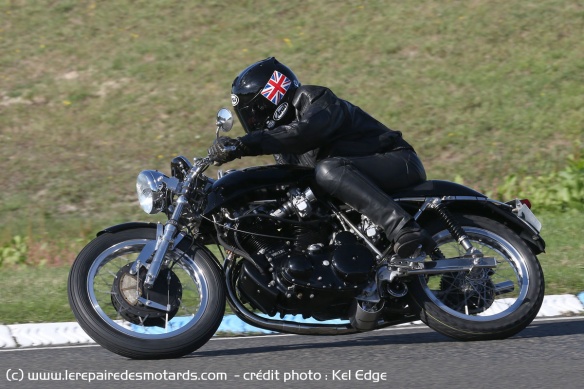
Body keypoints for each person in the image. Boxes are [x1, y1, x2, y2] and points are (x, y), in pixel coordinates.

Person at [208, 57, 435, 259]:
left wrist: (243, 144)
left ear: (272, 97)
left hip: (396, 161)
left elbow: (303, 133)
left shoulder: (316, 100)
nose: (253, 121)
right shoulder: (281, 146)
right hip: (356, 183)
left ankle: (403, 228)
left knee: (328, 169)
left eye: (255, 111)